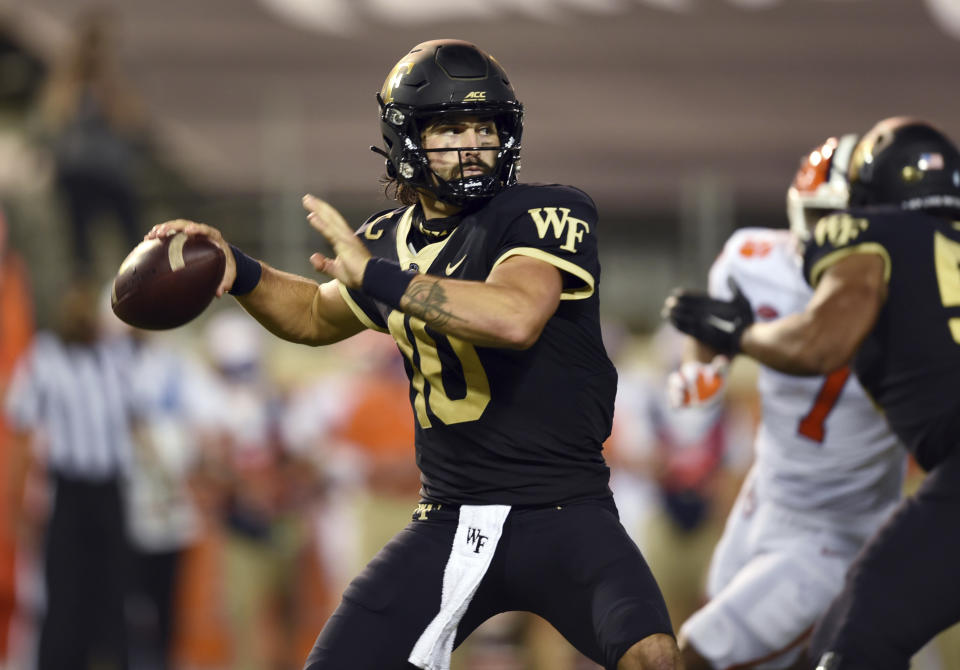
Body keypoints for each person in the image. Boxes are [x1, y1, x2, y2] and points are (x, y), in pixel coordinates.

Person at [148, 39, 680, 670]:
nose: (473, 144)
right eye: (452, 128)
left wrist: (378, 278)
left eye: (485, 127)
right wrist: (239, 271)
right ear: (408, 140)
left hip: (567, 512)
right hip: (448, 518)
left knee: (654, 657)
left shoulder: (543, 212)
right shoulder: (386, 242)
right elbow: (317, 315)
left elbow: (515, 317)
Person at [664, 117, 960, 670]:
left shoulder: (885, 270)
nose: (831, 237)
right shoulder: (756, 259)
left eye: (845, 223)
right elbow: (712, 327)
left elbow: (815, 343)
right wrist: (704, 365)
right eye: (823, 221)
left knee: (700, 653)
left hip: (848, 527)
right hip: (769, 500)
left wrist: (739, 338)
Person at [4, 279, 133, 670]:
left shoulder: (113, 357)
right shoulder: (45, 357)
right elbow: (22, 430)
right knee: (64, 594)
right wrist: (15, 502)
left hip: (110, 489)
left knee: (113, 593)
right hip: (70, 489)